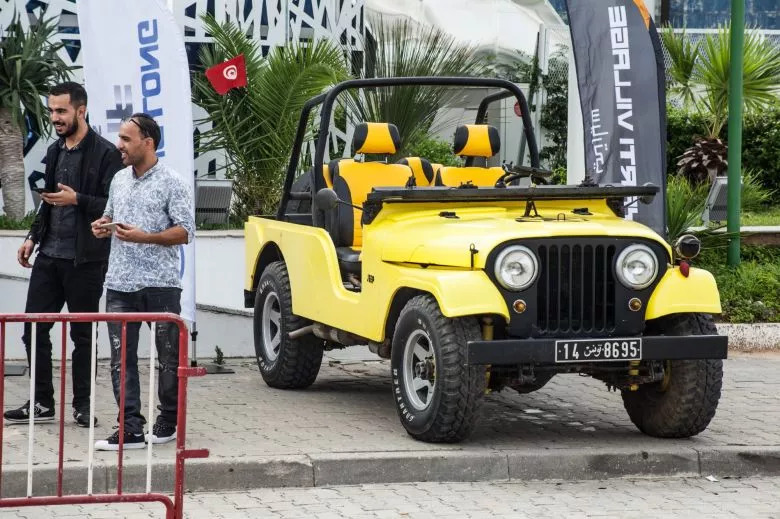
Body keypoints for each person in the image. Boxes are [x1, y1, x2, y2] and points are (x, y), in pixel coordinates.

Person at [4, 82, 123, 427]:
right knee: (33, 330)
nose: (54, 117)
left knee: (82, 334)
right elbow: (48, 203)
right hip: (49, 257)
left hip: (85, 260)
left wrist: (78, 201)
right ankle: (41, 403)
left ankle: (83, 406)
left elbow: (114, 206)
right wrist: (32, 238)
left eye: (61, 111)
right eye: (51, 110)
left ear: (80, 111)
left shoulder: (105, 153)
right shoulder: (55, 151)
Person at [91, 113, 194, 450]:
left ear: (148, 143)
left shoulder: (173, 181)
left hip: (160, 284)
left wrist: (145, 237)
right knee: (121, 359)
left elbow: (185, 232)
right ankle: (130, 428)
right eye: (120, 137)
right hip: (120, 282)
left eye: (126, 139)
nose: (119, 145)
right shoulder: (119, 179)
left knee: (168, 358)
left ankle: (168, 421)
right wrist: (102, 225)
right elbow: (110, 214)